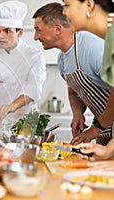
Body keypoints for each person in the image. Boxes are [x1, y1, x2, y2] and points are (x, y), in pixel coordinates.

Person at [33, 2, 113, 146]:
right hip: (104, 129)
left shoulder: (92, 48)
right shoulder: (62, 59)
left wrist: (96, 129)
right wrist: (77, 113)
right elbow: (74, 93)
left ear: (57, 29)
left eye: (38, 30)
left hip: (103, 126)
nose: (35, 37)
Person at [0, 1, 46, 125]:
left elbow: (33, 90)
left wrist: (11, 106)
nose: (0, 36)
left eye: (7, 31)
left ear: (19, 33)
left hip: (26, 123)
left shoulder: (33, 56)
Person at [62, 0, 114, 162]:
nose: (63, 12)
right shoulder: (109, 40)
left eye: (67, 5)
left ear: (89, 4)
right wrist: (109, 150)